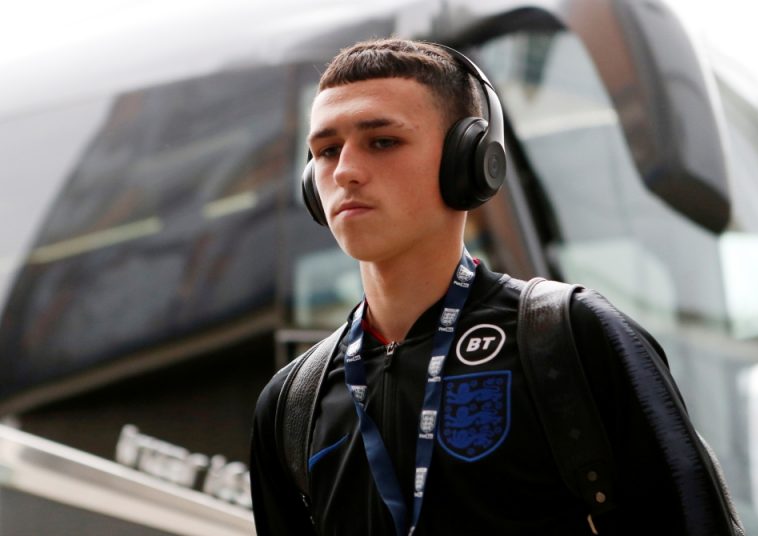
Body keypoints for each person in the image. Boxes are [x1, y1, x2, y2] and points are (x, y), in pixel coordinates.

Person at [249, 38, 696, 535]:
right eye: (327, 151)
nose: (346, 171)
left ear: (469, 159)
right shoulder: (292, 404)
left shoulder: (570, 337)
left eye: (382, 142)